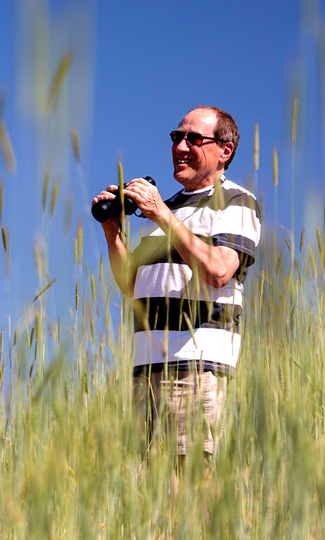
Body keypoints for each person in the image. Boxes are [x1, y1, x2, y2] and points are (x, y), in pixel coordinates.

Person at [91, 105, 261, 464]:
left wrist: (162, 215)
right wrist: (113, 234)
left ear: (224, 151)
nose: (180, 146)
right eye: (176, 137)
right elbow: (131, 284)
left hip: (194, 371)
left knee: (187, 494)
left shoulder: (237, 202)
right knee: (150, 497)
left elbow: (218, 271)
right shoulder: (165, 210)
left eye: (194, 139)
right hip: (146, 372)